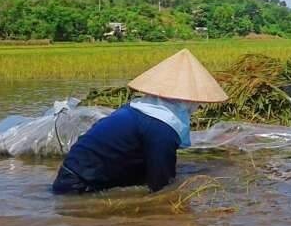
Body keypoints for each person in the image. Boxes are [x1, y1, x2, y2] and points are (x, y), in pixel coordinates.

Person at [52, 49, 228, 194]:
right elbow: (161, 185)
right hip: (79, 186)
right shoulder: (162, 128)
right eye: (197, 101)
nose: (199, 107)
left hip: (72, 173)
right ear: (186, 100)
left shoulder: (137, 108)